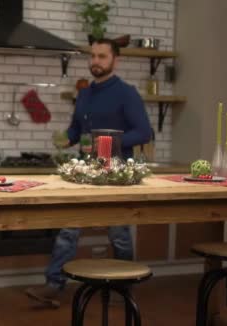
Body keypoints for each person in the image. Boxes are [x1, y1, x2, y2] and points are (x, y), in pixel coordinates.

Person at [25, 38, 152, 307]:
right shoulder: (84, 93)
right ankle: (54, 285)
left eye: (102, 56)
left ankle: (124, 285)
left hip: (116, 173)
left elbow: (144, 132)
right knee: (68, 229)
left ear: (115, 60)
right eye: (93, 56)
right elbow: (76, 129)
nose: (96, 61)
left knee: (118, 234)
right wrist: (66, 139)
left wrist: (104, 142)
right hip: (85, 172)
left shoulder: (127, 93)